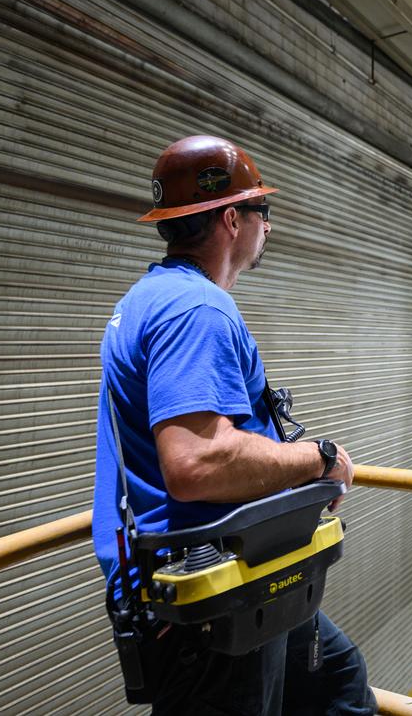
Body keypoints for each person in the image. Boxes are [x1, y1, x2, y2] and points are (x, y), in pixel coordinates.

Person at [92, 135, 376, 715]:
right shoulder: (197, 311)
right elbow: (196, 464)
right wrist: (321, 460)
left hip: (246, 575)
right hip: (213, 602)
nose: (266, 225)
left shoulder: (152, 297)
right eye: (260, 212)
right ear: (230, 219)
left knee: (340, 684)